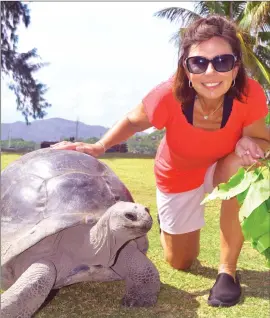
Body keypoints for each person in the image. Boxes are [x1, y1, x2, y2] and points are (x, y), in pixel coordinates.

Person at [51, 15, 270, 307]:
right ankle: (174, 231)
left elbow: (263, 142)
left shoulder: (249, 94)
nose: (210, 71)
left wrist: (249, 142)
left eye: (221, 61)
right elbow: (132, 121)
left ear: (235, 67)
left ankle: (227, 273)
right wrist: (101, 145)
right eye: (199, 63)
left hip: (221, 166)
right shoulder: (168, 95)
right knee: (180, 261)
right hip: (177, 176)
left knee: (243, 167)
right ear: (187, 68)